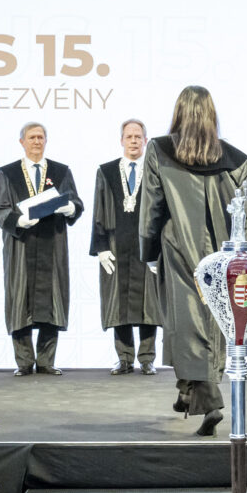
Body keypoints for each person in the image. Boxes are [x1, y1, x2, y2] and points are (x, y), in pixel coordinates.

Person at [140, 86, 247, 436]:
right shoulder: (237, 159)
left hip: (178, 245)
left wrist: (148, 251)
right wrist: (243, 257)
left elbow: (152, 205)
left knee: (184, 322)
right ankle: (187, 390)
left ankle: (209, 401)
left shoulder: (159, 149)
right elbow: (242, 215)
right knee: (211, 322)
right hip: (223, 252)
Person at [0, 121, 83, 376]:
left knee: (52, 299)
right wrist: (17, 220)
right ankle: (24, 362)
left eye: (41, 137)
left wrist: (71, 207)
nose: (36, 141)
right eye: (31, 137)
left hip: (52, 244)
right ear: (22, 142)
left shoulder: (60, 171)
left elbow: (76, 201)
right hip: (21, 245)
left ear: (46, 141)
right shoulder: (8, 173)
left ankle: (46, 361)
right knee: (20, 298)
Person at [90, 119, 163, 375]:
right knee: (118, 305)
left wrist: (159, 251)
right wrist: (100, 247)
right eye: (129, 136)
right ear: (121, 140)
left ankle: (147, 359)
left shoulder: (156, 171)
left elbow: (163, 211)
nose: (133, 141)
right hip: (115, 246)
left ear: (145, 141)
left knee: (149, 305)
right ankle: (123, 358)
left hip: (146, 247)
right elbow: (98, 210)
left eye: (138, 136)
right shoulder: (107, 171)